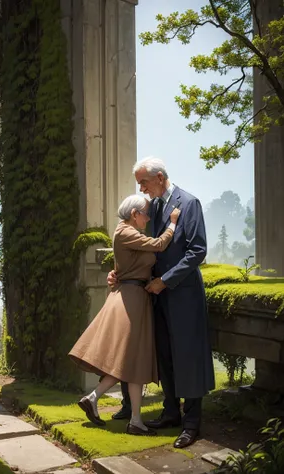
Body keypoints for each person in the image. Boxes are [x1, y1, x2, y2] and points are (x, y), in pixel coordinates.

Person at [109, 157, 215, 448]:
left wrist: (165, 280)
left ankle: (191, 423)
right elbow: (140, 248)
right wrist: (118, 272)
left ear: (159, 177)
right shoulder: (151, 208)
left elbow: (197, 252)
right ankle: (171, 413)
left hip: (183, 294)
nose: (140, 188)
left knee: (188, 356)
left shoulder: (189, 203)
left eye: (143, 182)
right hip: (156, 297)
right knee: (165, 356)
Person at [69, 194, 180, 436]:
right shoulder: (127, 232)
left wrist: (118, 273)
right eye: (145, 214)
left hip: (135, 296)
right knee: (134, 358)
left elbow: (131, 263)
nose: (148, 218)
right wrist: (172, 223)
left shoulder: (128, 233)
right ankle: (133, 419)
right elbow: (159, 245)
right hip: (131, 299)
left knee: (130, 359)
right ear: (134, 214)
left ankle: (105, 404)